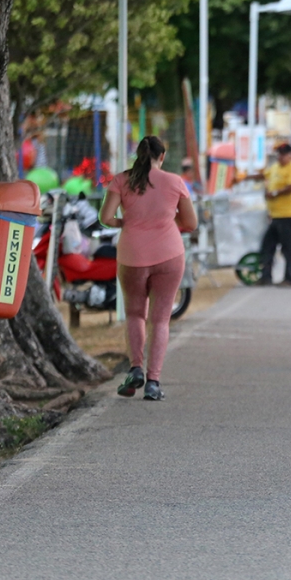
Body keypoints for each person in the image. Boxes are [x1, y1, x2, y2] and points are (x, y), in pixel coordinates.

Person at [100, 136, 198, 401]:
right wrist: (167, 219)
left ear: (138, 155)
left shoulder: (121, 180)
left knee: (134, 314)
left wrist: (126, 223)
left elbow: (105, 217)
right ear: (161, 156)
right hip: (169, 254)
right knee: (160, 319)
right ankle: (153, 382)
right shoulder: (175, 181)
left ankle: (135, 369)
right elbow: (191, 223)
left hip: (132, 254)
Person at [257, 143, 291, 287]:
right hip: (276, 214)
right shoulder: (275, 167)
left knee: (288, 248)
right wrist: (244, 177)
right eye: (279, 154)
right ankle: (266, 276)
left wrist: (275, 193)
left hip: (289, 214)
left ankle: (289, 278)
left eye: (283, 154)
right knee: (267, 245)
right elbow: (264, 175)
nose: (280, 157)